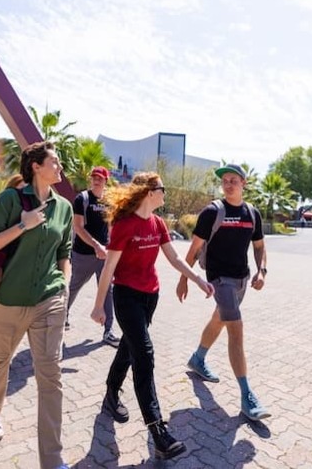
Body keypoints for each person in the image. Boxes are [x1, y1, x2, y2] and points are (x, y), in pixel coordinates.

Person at [90, 172, 215, 460]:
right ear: (150, 192)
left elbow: (174, 257)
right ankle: (158, 431)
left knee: (130, 346)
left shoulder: (156, 223)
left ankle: (111, 392)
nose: (165, 194)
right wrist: (99, 307)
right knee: (144, 354)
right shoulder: (124, 224)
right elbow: (108, 269)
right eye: (163, 189)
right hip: (127, 297)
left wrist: (197, 279)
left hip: (150, 297)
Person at [0, 141, 73, 469]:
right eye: (55, 162)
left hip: (50, 300)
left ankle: (52, 460)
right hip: (8, 302)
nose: (60, 168)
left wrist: (64, 290)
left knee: (51, 376)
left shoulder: (64, 208)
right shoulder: (11, 200)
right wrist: (22, 225)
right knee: (0, 361)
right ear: (35, 166)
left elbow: (64, 253)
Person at [176, 163, 271, 422]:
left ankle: (198, 358)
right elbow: (195, 248)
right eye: (225, 180)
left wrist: (262, 271)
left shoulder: (252, 213)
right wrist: (184, 278)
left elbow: (260, 247)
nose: (228, 184)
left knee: (220, 318)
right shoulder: (212, 212)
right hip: (219, 280)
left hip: (242, 279)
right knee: (236, 331)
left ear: (244, 183)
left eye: (233, 180)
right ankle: (247, 395)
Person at [65, 166, 120, 347]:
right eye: (94, 177)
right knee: (74, 286)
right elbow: (78, 227)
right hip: (83, 254)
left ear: (105, 180)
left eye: (100, 178)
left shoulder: (109, 202)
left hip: (104, 255)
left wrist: (112, 247)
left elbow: (111, 227)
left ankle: (108, 330)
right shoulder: (83, 199)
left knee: (107, 290)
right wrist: (96, 246)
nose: (96, 180)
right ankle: (62, 316)